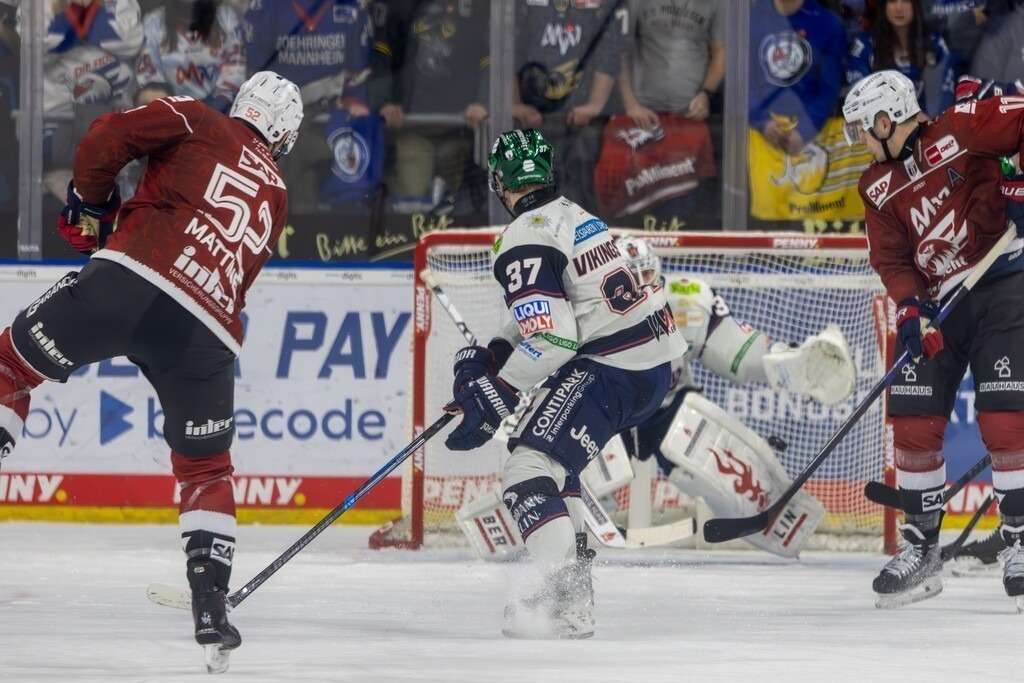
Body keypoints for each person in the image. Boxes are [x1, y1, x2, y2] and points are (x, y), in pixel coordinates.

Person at [0, 71, 303, 672]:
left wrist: (91, 207)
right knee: (206, 469)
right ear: (285, 135)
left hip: (131, 282)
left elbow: (104, 137)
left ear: (241, 104)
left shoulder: (199, 116)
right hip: (206, 333)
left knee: (9, 367)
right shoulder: (277, 194)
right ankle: (211, 604)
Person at [443, 129, 685, 639]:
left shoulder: (523, 235)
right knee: (550, 461)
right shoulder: (574, 215)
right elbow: (557, 313)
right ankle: (570, 592)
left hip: (614, 364)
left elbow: (554, 339)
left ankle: (565, 597)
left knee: (526, 468)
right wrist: (492, 354)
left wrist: (497, 390)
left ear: (499, 184)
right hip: (650, 361)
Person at [842, 69, 1024, 609]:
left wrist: (1018, 184)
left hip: (1003, 284)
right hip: (940, 304)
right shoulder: (875, 185)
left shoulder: (962, 129)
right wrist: (910, 308)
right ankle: (922, 551)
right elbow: (893, 258)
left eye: (862, 129)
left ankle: (1018, 540)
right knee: (913, 425)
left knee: (1004, 420)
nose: (860, 141)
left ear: (885, 117)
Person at [609, 236, 856, 557]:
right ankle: (557, 523)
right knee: (576, 461)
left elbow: (734, 348)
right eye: (630, 280)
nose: (640, 288)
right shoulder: (586, 309)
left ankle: (776, 522)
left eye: (646, 276)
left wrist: (786, 363)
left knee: (702, 446)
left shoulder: (682, 298)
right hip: (605, 411)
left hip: (665, 410)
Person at [846, 0, 954, 118]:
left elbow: (944, 95)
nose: (899, 8)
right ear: (884, 6)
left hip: (930, 127)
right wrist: (908, 115)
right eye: (892, 1)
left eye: (906, 1)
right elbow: (858, 95)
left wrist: (929, 125)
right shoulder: (864, 46)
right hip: (882, 128)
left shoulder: (935, 45)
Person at [135, 0, 246, 112]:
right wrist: (173, 109)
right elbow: (150, 79)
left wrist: (217, 104)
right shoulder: (153, 22)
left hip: (219, 112)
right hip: (171, 112)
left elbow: (235, 73)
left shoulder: (227, 17)